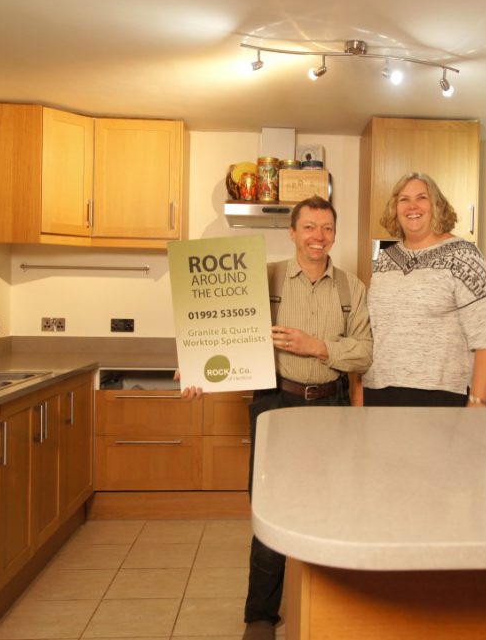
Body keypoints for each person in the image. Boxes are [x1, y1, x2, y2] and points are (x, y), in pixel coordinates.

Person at [182, 195, 372, 640]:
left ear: (334, 234)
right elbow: (222, 333)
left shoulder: (351, 287)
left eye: (326, 228)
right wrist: (196, 366)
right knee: (270, 510)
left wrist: (318, 346)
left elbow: (365, 352)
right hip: (277, 404)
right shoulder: (261, 279)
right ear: (292, 232)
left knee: (330, 509)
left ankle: (327, 607)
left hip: (332, 406)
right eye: (309, 227)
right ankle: (261, 616)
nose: (318, 237)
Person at [360, 172, 486, 407]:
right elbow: (375, 331)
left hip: (439, 396)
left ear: (437, 205)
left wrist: (478, 402)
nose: (412, 206)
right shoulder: (386, 259)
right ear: (395, 208)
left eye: (422, 197)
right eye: (404, 199)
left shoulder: (463, 256)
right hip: (378, 391)